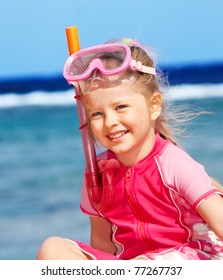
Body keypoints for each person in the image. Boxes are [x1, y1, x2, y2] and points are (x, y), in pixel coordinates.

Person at [36, 38, 223, 260]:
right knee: (52, 249)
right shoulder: (97, 175)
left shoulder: (174, 164)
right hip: (131, 267)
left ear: (154, 106)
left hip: (189, 261)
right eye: (97, 113)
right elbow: (102, 244)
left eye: (120, 107)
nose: (110, 121)